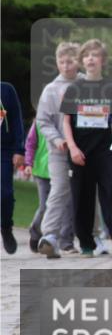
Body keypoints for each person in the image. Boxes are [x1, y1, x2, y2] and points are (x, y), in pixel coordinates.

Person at [59, 39, 112, 258]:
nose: (90, 59)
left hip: (106, 151)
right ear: (82, 61)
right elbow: (66, 121)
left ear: (103, 60)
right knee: (81, 198)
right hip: (79, 152)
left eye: (95, 55)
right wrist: (72, 148)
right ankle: (86, 244)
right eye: (86, 55)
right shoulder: (74, 88)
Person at [36, 42, 82, 258]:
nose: (65, 66)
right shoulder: (50, 90)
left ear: (78, 61)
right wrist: (56, 139)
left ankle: (88, 237)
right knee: (59, 189)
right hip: (59, 151)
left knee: (85, 193)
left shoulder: (88, 84)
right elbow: (43, 121)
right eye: (61, 62)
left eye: (70, 61)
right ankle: (50, 236)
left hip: (85, 149)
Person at [1, 81, 26, 254]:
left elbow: (17, 120)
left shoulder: (6, 90)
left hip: (4, 150)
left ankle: (5, 226)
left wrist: (19, 149)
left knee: (5, 194)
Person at [25, 121, 51, 252]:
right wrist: (28, 163)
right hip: (42, 170)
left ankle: (52, 237)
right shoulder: (38, 123)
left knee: (60, 207)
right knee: (44, 205)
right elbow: (30, 143)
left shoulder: (65, 120)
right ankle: (35, 232)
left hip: (61, 170)